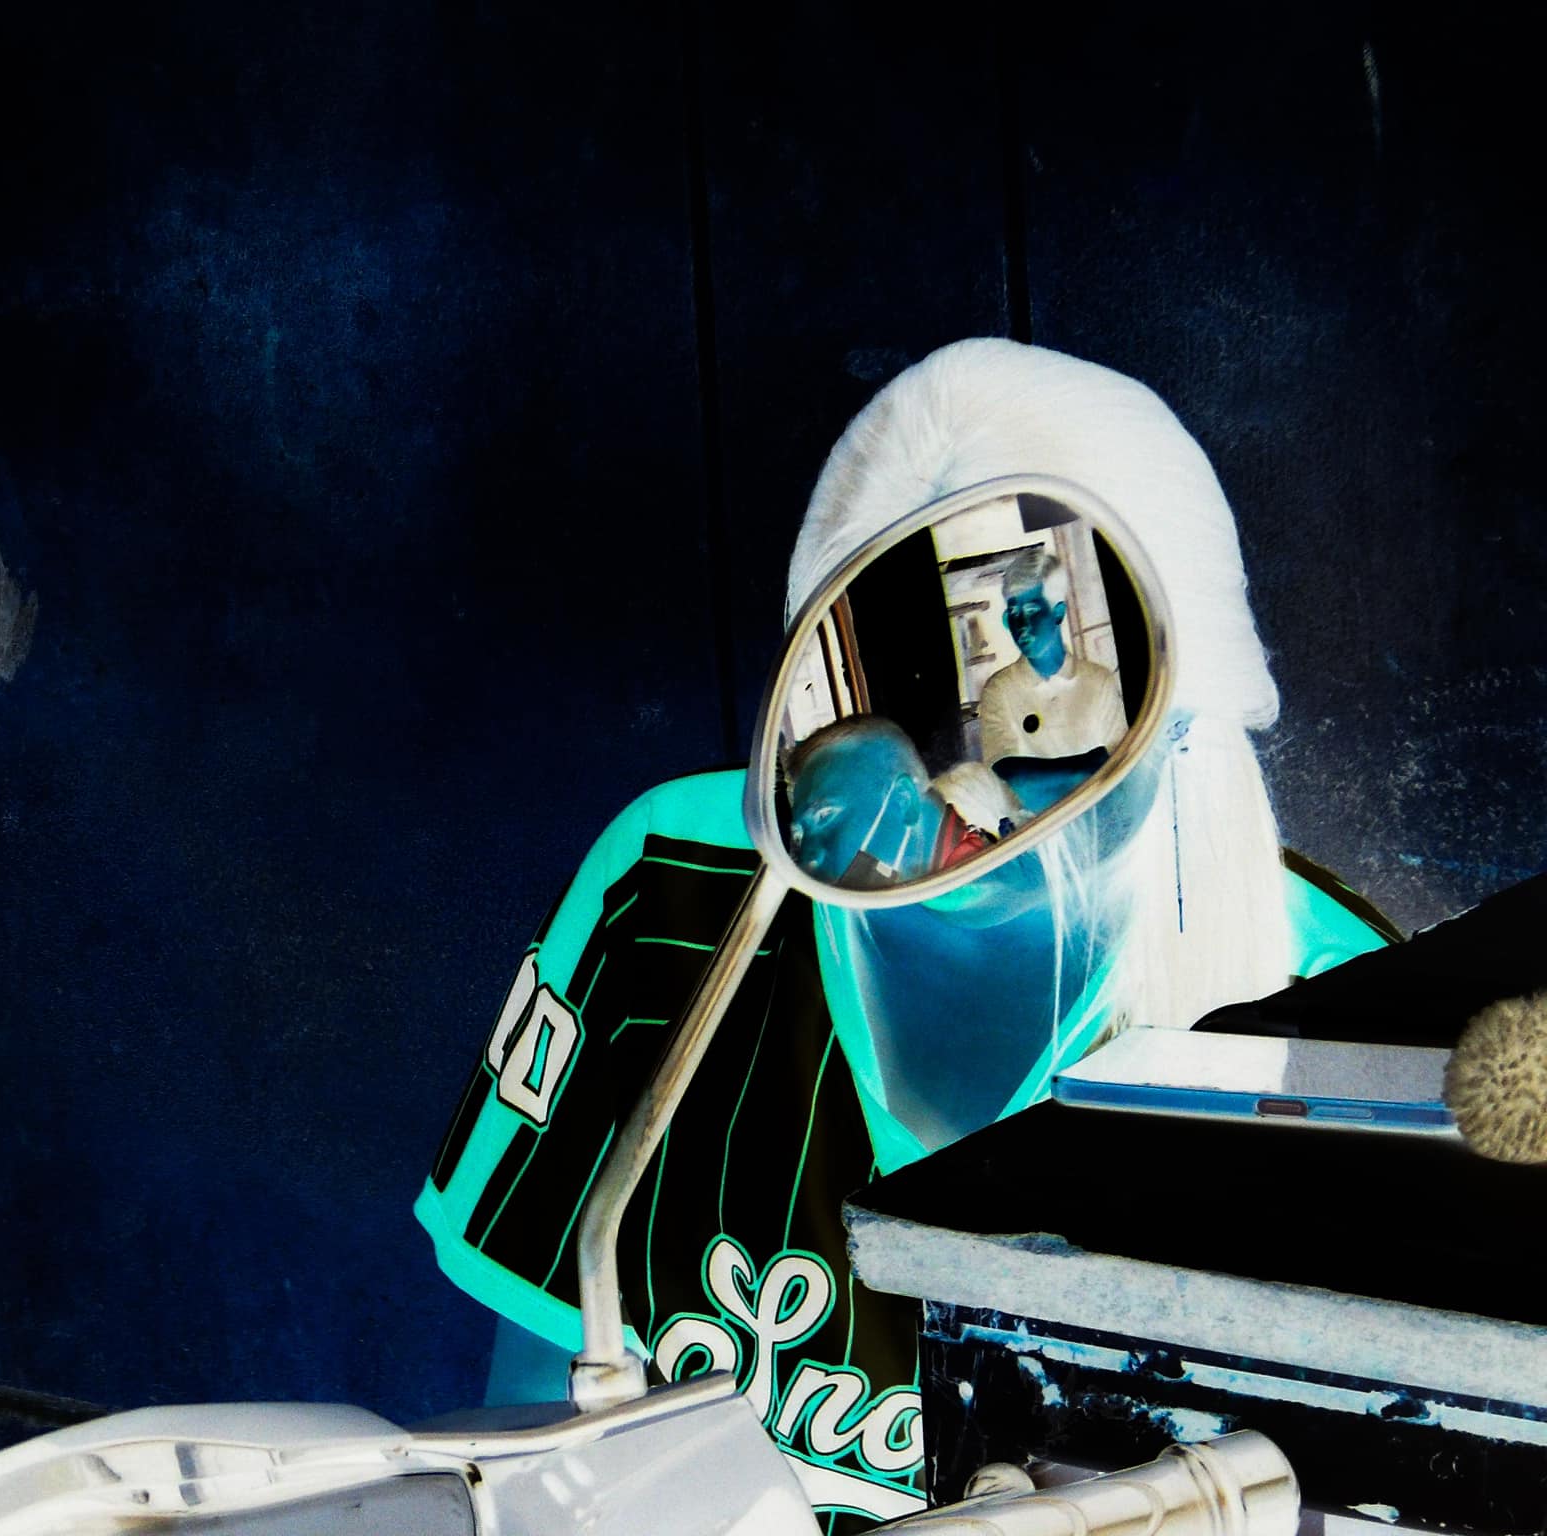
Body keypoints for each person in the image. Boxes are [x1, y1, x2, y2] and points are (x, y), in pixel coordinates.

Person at [416, 339, 1396, 1529]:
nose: (940, 783)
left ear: (1180, 714)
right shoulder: (667, 892)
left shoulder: (1343, 1038)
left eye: (1034, 647)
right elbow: (530, 1450)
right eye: (888, 681)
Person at [977, 548, 1128, 813]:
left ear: (1058, 613)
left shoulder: (1099, 681)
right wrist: (1087, 765)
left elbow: (1121, 770)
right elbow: (1008, 779)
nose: (1021, 624)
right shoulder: (998, 690)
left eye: (1032, 610)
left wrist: (1043, 777)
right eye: (1014, 612)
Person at [786, 717, 997, 889]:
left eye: (824, 815)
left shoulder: (987, 888)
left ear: (903, 800)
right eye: (799, 837)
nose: (806, 858)